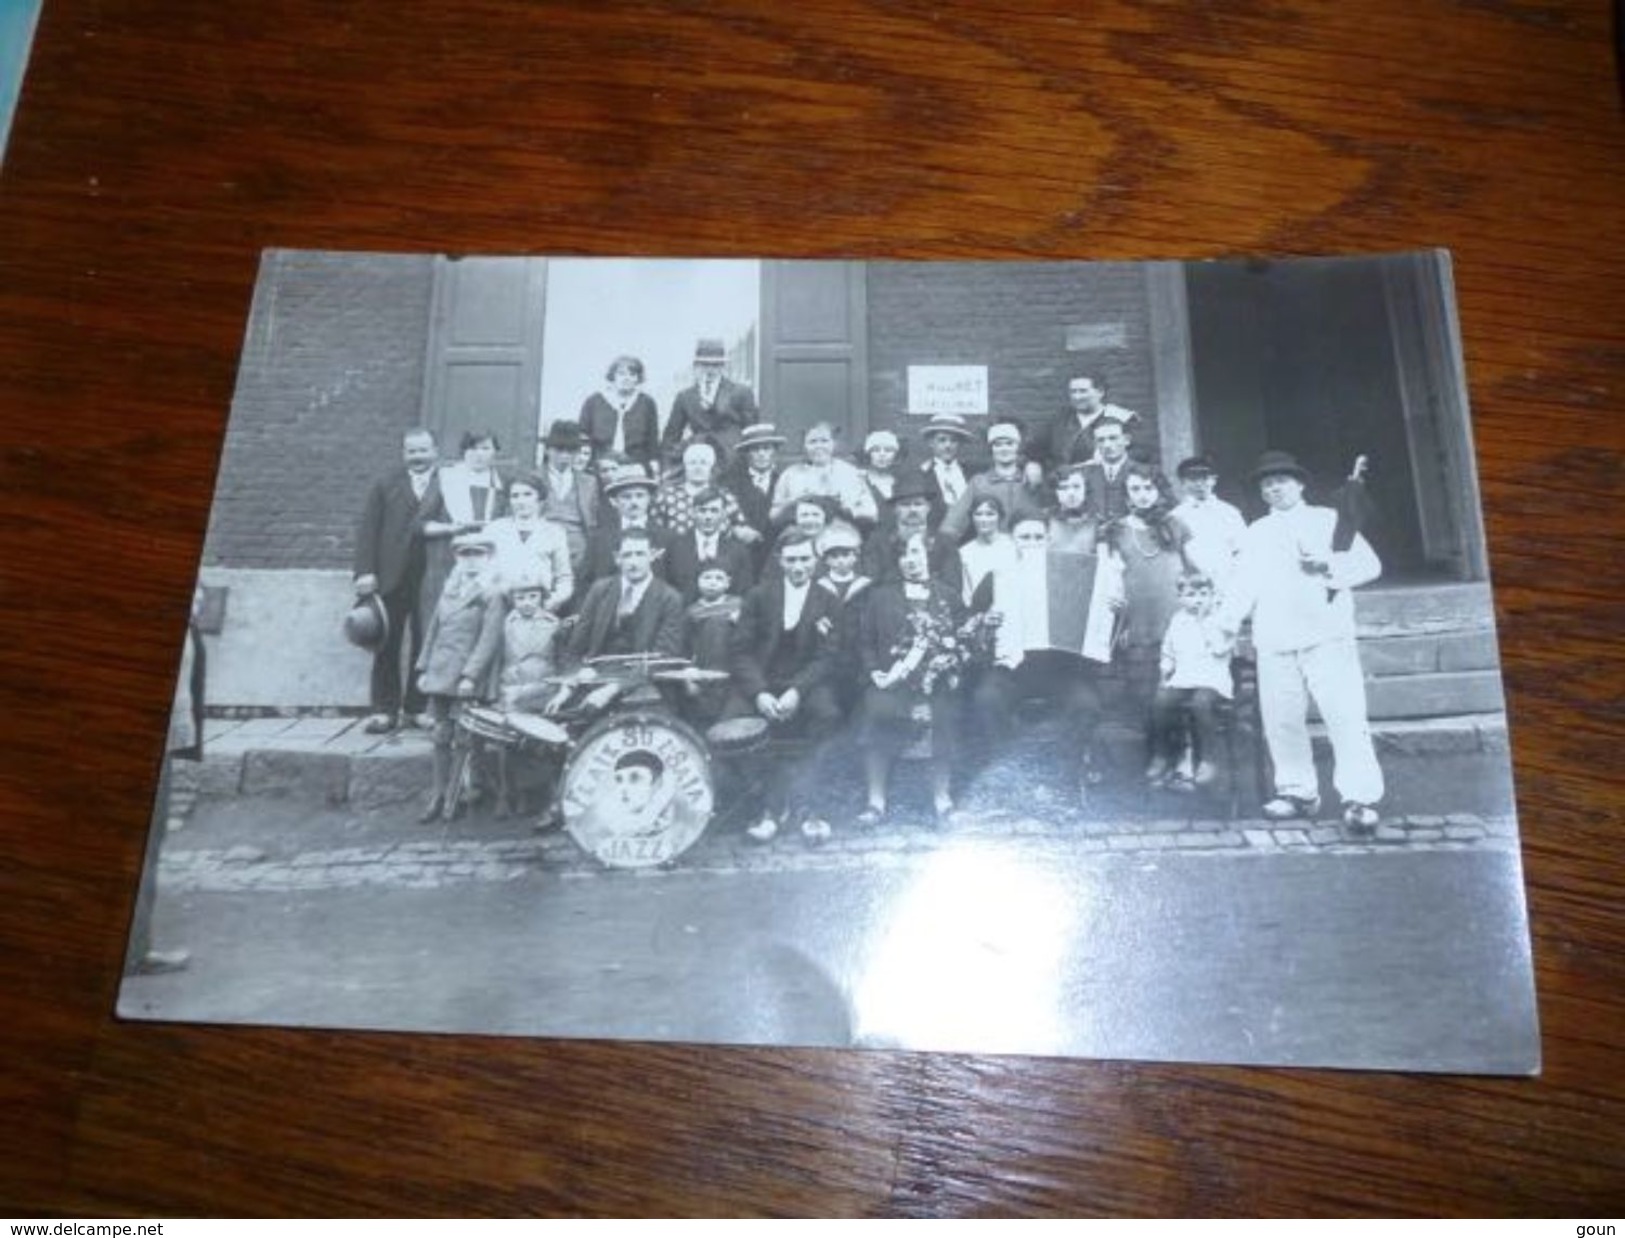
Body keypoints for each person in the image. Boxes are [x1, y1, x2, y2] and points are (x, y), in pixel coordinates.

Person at [1219, 450, 1385, 831]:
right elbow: (1243, 585)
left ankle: (1359, 798)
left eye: (1281, 481)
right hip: (1275, 637)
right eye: (1266, 484)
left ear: (1300, 484)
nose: (1273, 489)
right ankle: (1297, 792)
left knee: (1344, 716)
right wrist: (1225, 624)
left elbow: (1369, 566)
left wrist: (1328, 566)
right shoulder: (1255, 532)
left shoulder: (1329, 521)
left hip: (1326, 634)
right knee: (1282, 720)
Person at [975, 515, 1122, 801]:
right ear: (1012, 541)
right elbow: (973, 626)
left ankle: (1065, 780)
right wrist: (985, 621)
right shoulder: (998, 576)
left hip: (1061, 671)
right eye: (1024, 537)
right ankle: (1009, 774)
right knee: (986, 699)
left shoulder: (1071, 575)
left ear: (1048, 541)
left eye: (1038, 537)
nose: (1031, 544)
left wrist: (1114, 609)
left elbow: (1103, 625)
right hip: (1013, 670)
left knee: (1086, 706)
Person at [728, 531, 843, 843]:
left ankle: (809, 806)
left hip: (804, 682)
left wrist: (797, 691)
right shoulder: (758, 596)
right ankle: (768, 807)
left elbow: (827, 657)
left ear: (815, 561)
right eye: (791, 559)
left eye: (805, 559)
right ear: (780, 561)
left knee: (827, 715)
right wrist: (760, 693)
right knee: (733, 723)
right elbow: (740, 651)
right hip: (764, 680)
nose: (798, 566)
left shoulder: (829, 600)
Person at [856, 532, 972, 826]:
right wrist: (874, 671)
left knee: (944, 713)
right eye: (904, 554)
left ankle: (942, 798)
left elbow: (963, 640)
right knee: (878, 711)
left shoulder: (947, 595)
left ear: (929, 556)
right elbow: (866, 641)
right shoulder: (880, 597)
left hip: (937, 682)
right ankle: (876, 801)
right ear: (898, 561)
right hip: (892, 681)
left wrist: (950, 664)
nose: (911, 561)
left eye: (917, 553)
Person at [352, 427, 441, 734]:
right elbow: (368, 529)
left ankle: (417, 708)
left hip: (430, 575)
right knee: (386, 642)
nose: (417, 457)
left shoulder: (448, 483)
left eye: (423, 450)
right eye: (411, 451)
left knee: (425, 641)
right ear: (404, 454)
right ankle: (383, 709)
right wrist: (365, 571)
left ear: (435, 451)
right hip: (391, 576)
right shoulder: (385, 484)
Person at [1108, 463, 1194, 775]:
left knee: (1178, 690)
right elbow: (1113, 577)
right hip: (1139, 622)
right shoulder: (1117, 530)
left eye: (1148, 488)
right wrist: (1121, 619)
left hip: (1175, 621)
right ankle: (1157, 754)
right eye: (1135, 489)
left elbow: (1197, 569)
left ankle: (1183, 757)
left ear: (1158, 490)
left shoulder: (1176, 525)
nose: (1142, 495)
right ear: (1127, 494)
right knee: (1146, 694)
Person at [415, 531, 505, 823]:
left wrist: (470, 675)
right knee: (440, 735)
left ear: (488, 558)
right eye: (465, 555)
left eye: (478, 554)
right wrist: (424, 668)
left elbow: (489, 640)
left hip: (467, 678)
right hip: (441, 673)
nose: (471, 561)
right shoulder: (450, 590)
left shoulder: (491, 594)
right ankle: (437, 795)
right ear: (457, 558)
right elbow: (434, 632)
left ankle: (458, 796)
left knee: (464, 739)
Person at [419, 429, 508, 636]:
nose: (478, 454)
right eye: (472, 448)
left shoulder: (503, 484)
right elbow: (421, 525)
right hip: (448, 561)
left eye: (485, 448)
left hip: (489, 562)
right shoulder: (446, 478)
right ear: (464, 452)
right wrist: (451, 528)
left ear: (495, 452)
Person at [1150, 569, 1233, 790]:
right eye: (1191, 595)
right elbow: (1168, 650)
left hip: (1212, 679)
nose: (1198, 600)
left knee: (1200, 704)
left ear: (1212, 595)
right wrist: (1164, 673)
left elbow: (1220, 648)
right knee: (1161, 702)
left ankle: (1208, 758)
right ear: (1180, 598)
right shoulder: (1178, 620)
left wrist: (1204, 622)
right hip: (1184, 677)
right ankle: (1163, 754)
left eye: (1203, 594)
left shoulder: (1220, 619)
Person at [492, 576, 562, 819]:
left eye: (533, 597)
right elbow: (496, 658)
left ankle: (540, 793)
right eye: (520, 598)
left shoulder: (553, 624)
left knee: (540, 741)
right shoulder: (505, 625)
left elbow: (560, 660)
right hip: (512, 689)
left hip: (543, 690)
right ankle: (508, 792)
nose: (527, 603)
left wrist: (559, 689)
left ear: (542, 597)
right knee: (508, 742)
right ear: (512, 600)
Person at [568, 528, 687, 666]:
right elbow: (576, 646)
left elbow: (663, 657)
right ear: (617, 558)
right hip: (597, 674)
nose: (633, 562)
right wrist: (574, 679)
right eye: (627, 555)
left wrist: (615, 687)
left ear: (652, 556)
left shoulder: (670, 598)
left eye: (640, 554)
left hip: (645, 680)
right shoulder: (600, 590)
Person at [1025, 369, 1142, 484]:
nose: (1077, 397)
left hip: (1104, 485)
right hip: (1063, 486)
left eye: (1083, 391)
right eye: (1073, 392)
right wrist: (1032, 463)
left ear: (1100, 392)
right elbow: (1033, 448)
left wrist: (1112, 457)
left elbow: (1141, 453)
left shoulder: (1120, 418)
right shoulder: (1060, 420)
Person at [862, 471, 964, 597]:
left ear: (928, 507)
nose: (912, 510)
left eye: (918, 504)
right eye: (905, 505)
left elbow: (953, 587)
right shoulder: (878, 542)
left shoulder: (944, 544)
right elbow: (872, 585)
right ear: (895, 509)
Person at [939, 421, 1044, 543]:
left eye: (1009, 443)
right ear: (991, 449)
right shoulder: (979, 483)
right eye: (997, 445)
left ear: (1018, 447)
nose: (1004, 449)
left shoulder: (1032, 481)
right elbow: (953, 524)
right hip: (991, 550)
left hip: (1028, 547)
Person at [661, 337, 760, 462]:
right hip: (700, 461)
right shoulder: (685, 396)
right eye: (705, 365)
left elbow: (751, 432)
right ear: (696, 366)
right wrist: (668, 465)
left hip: (733, 462)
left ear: (723, 366)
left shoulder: (741, 392)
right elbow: (671, 436)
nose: (710, 370)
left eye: (715, 365)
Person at [485, 472, 573, 609]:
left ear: (540, 498)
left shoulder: (554, 532)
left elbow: (564, 578)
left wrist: (554, 600)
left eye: (528, 494)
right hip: (498, 605)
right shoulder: (494, 529)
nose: (521, 501)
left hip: (539, 606)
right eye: (515, 496)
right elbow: (481, 572)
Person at [770, 421, 878, 531]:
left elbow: (871, 512)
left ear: (833, 443)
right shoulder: (790, 475)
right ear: (804, 446)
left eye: (824, 441)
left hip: (841, 533)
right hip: (801, 533)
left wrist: (847, 510)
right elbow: (774, 515)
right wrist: (795, 506)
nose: (819, 446)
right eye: (813, 442)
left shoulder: (850, 473)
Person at [582, 463, 673, 587]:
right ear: (614, 501)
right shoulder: (598, 539)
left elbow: (675, 585)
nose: (634, 502)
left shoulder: (667, 539)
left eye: (639, 496)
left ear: (649, 498)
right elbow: (585, 583)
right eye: (626, 497)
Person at [664, 485, 756, 603]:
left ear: (723, 514)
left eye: (714, 511)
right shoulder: (675, 548)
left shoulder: (738, 551)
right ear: (693, 513)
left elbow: (745, 592)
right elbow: (668, 588)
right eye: (702, 510)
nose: (708, 517)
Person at [1171, 455, 1247, 588]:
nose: (1199, 484)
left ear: (1214, 480)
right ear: (1183, 483)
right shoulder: (1176, 516)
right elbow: (1174, 557)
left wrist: (1236, 580)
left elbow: (1242, 551)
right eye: (1193, 479)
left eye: (1205, 478)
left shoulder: (1230, 513)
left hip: (1227, 581)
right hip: (1192, 586)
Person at [535, 421, 600, 576]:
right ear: (547, 450)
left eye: (570, 451)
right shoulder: (533, 479)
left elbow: (594, 522)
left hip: (578, 552)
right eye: (559, 450)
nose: (564, 456)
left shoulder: (589, 482)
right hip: (541, 548)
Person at [683, 562, 743, 728]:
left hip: (732, 670)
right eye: (707, 577)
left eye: (719, 578)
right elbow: (686, 647)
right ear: (697, 581)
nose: (712, 582)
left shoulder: (739, 605)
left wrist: (739, 622)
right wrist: (688, 678)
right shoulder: (691, 611)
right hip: (703, 670)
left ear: (728, 583)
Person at [580, 354, 660, 471]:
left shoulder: (647, 403)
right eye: (621, 373)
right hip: (600, 463)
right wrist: (593, 462)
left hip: (635, 465)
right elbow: (583, 436)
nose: (626, 378)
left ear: (638, 379)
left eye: (632, 374)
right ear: (613, 376)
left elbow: (653, 439)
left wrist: (653, 463)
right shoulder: (594, 401)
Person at [723, 423, 786, 572]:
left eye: (766, 448)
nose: (761, 454)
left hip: (776, 553)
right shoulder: (730, 482)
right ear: (746, 453)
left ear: (774, 451)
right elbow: (718, 515)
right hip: (741, 554)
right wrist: (734, 529)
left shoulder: (785, 480)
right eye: (755, 449)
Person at [654, 438, 744, 538]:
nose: (698, 467)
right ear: (685, 466)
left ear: (711, 466)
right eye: (693, 463)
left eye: (703, 463)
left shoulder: (725, 496)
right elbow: (656, 531)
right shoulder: (667, 496)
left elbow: (739, 528)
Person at [957, 493, 1017, 607]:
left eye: (990, 514)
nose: (983, 519)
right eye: (978, 514)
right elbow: (967, 594)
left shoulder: (1013, 544)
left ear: (1000, 516)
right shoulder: (964, 553)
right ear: (972, 517)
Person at [917, 413, 974, 529]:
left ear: (960, 444)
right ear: (931, 443)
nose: (948, 445)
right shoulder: (922, 474)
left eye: (953, 441)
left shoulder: (971, 473)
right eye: (942, 440)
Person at [1079, 418, 1136, 523]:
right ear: (1095, 444)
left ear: (1126, 440)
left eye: (1113, 438)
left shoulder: (1147, 473)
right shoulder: (1082, 475)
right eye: (1101, 440)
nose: (1107, 445)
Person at [860, 429, 903, 512]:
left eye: (888, 450)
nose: (882, 454)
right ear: (868, 454)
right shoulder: (860, 480)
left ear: (895, 455)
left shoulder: (901, 481)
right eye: (876, 450)